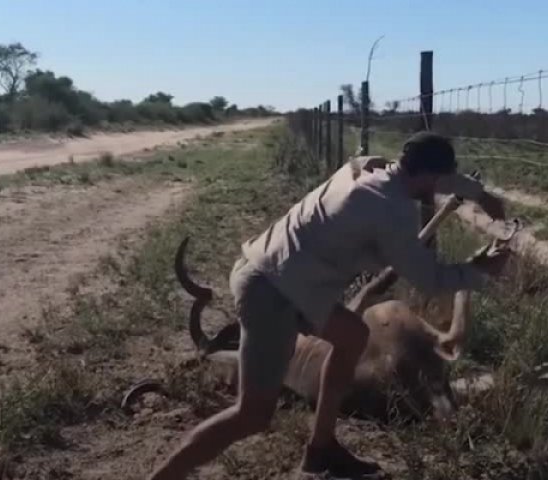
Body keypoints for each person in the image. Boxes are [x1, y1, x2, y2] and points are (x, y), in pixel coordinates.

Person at [148, 131, 509, 479]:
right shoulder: (392, 211)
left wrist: (479, 194)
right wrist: (482, 272)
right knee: (252, 415)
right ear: (431, 175)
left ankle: (321, 449)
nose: (441, 188)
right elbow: (430, 278)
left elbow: (433, 179)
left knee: (352, 334)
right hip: (272, 293)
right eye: (441, 179)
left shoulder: (367, 167)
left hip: (277, 273)